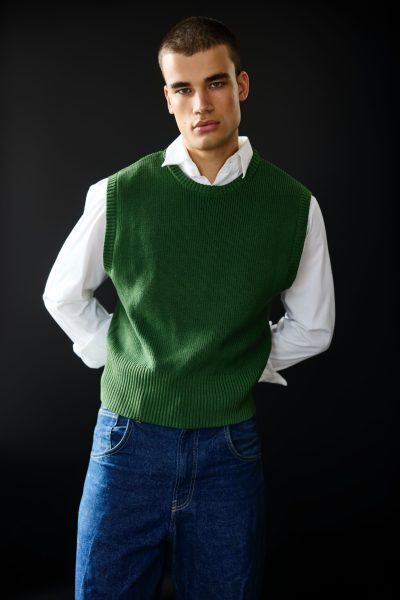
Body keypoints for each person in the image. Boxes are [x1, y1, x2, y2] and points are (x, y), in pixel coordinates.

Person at [43, 15, 335, 600]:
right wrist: (124, 360)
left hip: (229, 448)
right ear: (168, 98)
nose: (201, 103)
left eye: (216, 82)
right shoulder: (120, 194)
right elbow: (63, 295)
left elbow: (314, 327)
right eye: (183, 88)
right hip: (127, 442)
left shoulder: (293, 206)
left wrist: (237, 366)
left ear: (241, 85)